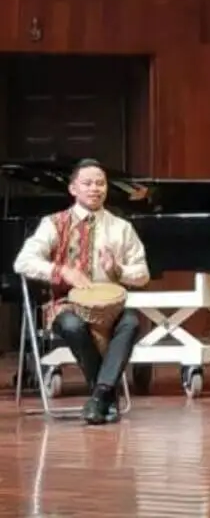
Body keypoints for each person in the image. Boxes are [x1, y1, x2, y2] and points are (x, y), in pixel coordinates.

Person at [14, 159, 149, 425]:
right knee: (73, 325)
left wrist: (118, 270)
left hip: (109, 309)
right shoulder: (54, 224)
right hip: (66, 304)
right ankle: (106, 395)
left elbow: (142, 274)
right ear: (73, 189)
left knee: (131, 322)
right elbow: (23, 262)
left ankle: (99, 396)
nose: (95, 189)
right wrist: (61, 271)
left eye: (100, 183)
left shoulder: (121, 228)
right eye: (87, 183)